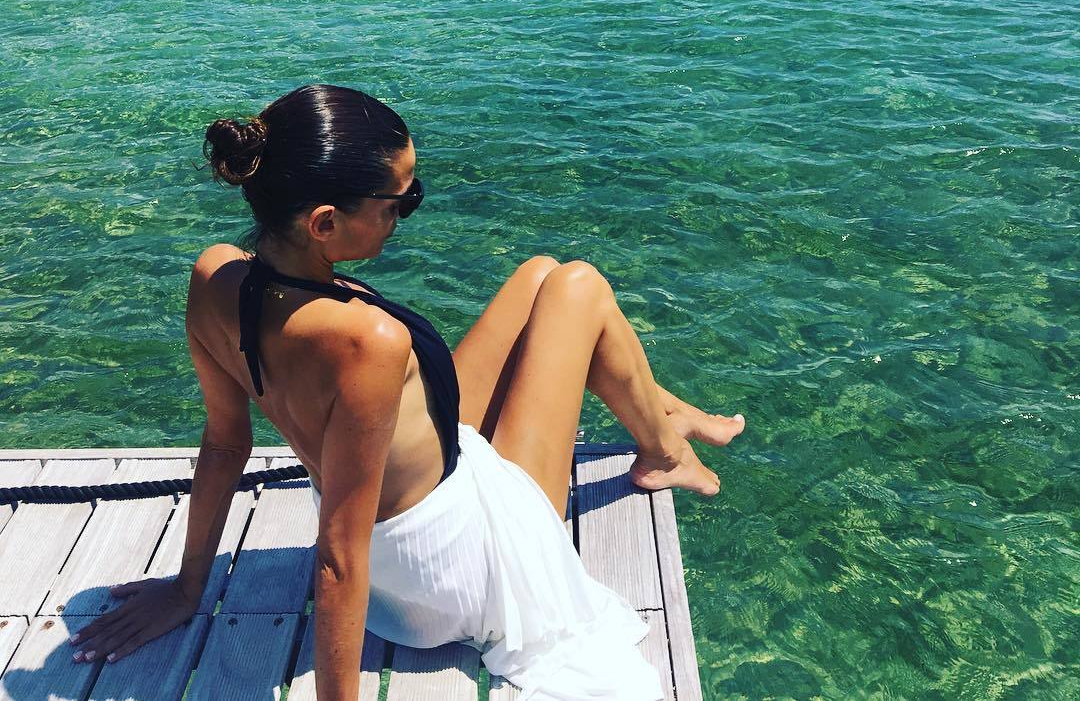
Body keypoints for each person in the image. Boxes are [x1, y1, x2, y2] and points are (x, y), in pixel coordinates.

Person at [66, 84, 745, 699]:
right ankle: (664, 451)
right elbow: (338, 559)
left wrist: (188, 589)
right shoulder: (368, 343)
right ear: (324, 223)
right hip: (450, 573)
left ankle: (666, 419)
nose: (407, 213)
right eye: (401, 203)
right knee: (580, 286)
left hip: (414, 511)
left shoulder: (215, 277)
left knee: (540, 274)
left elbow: (223, 445)